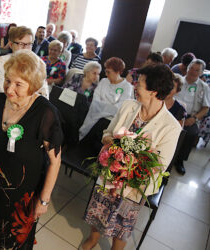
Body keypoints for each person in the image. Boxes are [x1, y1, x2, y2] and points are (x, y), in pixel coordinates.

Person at [82, 64, 181, 250]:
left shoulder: (171, 127)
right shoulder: (128, 106)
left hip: (135, 185)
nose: (135, 85)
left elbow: (159, 166)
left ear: (154, 91)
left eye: (140, 83)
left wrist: (129, 163)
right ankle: (92, 239)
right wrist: (111, 142)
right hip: (109, 173)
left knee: (122, 224)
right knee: (99, 211)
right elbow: (107, 132)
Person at [0, 50, 63, 249]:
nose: (9, 88)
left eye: (18, 84)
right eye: (7, 80)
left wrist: (44, 200)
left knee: (14, 243)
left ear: (33, 86)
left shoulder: (45, 113)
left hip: (22, 199)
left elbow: (55, 160)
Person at [79, 57, 133, 156]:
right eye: (106, 71)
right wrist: (107, 107)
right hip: (95, 115)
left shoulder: (127, 87)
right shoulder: (104, 81)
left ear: (118, 72)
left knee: (100, 130)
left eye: (109, 72)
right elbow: (96, 99)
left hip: (110, 120)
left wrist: (102, 107)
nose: (106, 74)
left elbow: (119, 107)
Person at [0, 26, 49, 104]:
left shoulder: (38, 65)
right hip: (0, 108)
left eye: (29, 44)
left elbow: (43, 97)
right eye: (21, 44)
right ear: (11, 44)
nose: (25, 48)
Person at [174, 59, 210, 175]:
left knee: (190, 133)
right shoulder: (177, 80)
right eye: (191, 68)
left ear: (201, 72)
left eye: (197, 70)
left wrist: (194, 118)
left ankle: (179, 160)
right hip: (173, 112)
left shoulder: (204, 87)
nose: (193, 72)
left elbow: (205, 108)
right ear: (187, 68)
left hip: (191, 116)